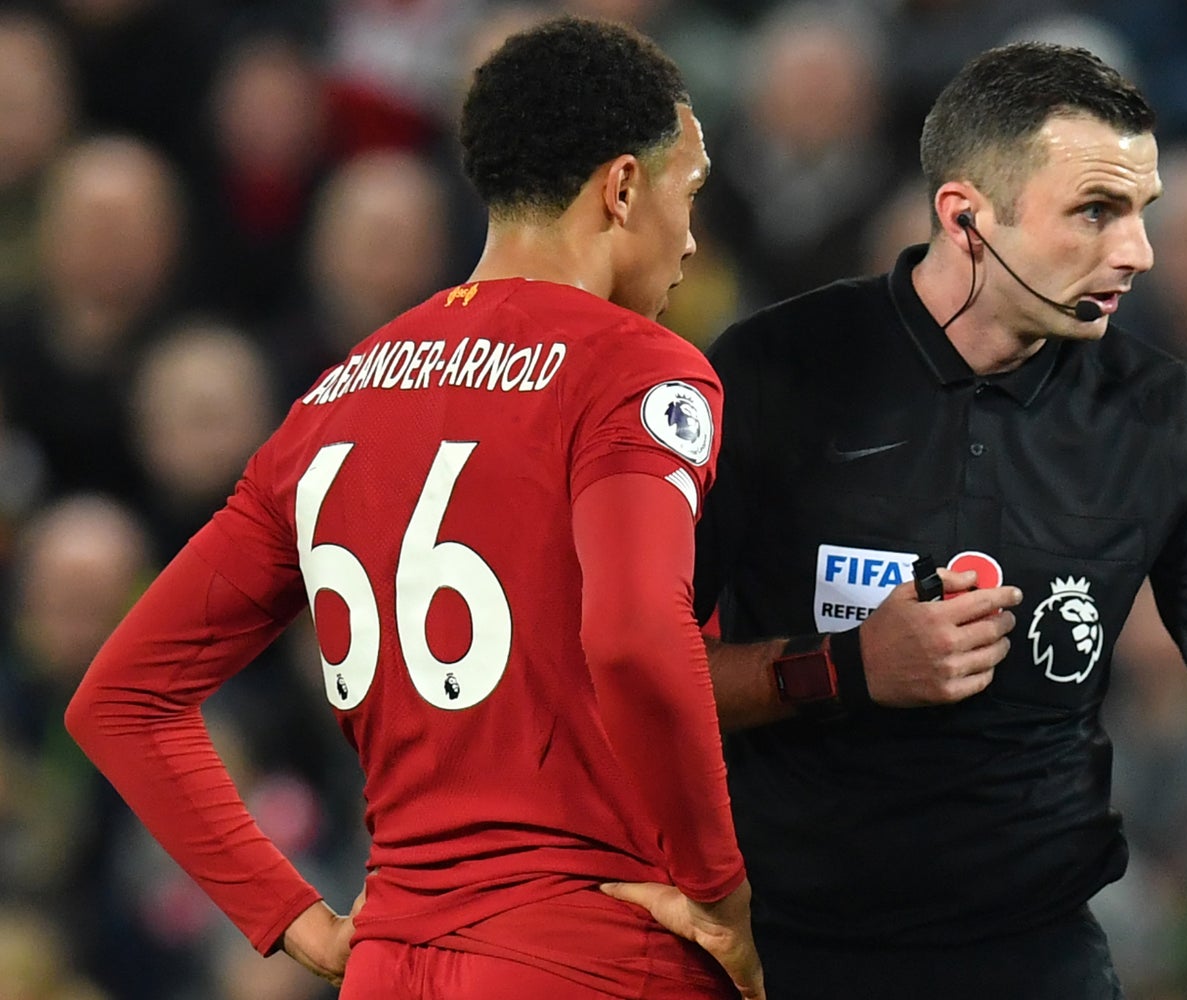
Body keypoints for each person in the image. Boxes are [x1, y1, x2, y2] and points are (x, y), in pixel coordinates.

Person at [618, 42, 1187, 1000]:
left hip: (1035, 961)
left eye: (1141, 212)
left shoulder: (1163, 421)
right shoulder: (775, 376)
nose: (1137, 251)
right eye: (1095, 211)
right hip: (783, 955)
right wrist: (847, 670)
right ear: (967, 217)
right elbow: (636, 677)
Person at [64, 17, 762, 999]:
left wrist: (291, 914)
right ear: (620, 188)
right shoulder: (635, 369)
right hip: (590, 952)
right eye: (686, 195)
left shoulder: (334, 395)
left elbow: (123, 696)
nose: (690, 240)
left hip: (390, 960)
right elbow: (638, 636)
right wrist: (719, 888)